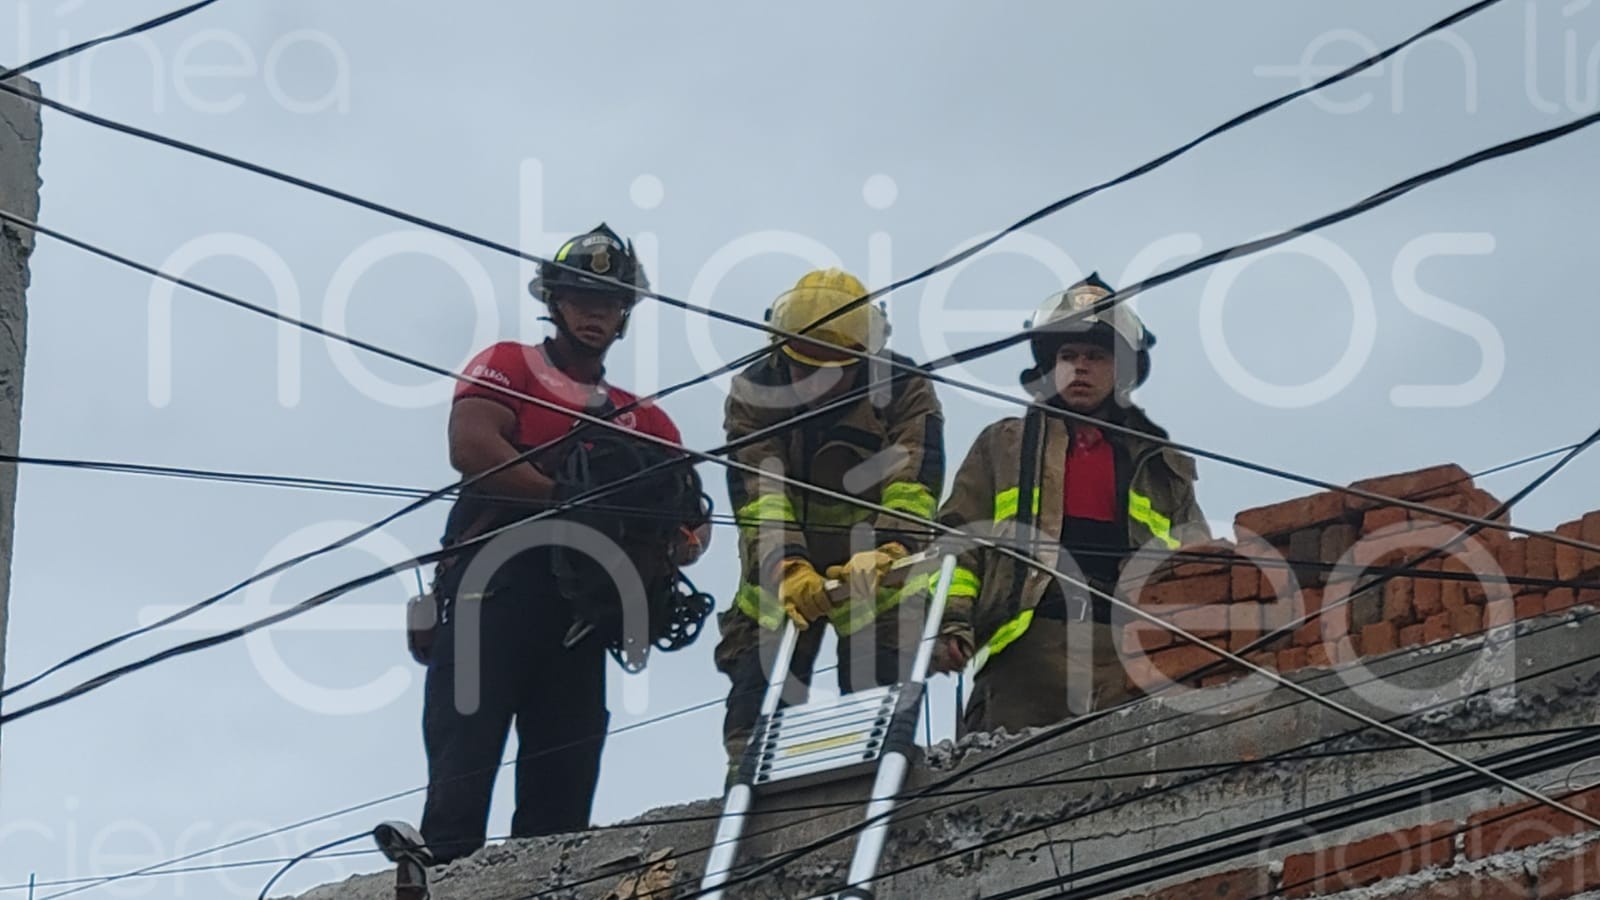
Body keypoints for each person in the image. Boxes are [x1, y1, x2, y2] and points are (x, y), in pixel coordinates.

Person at [418, 223, 701, 863]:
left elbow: (690, 523)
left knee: (563, 776)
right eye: (581, 298)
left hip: (582, 612)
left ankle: (544, 878)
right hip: (496, 587)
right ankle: (442, 872)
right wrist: (566, 501)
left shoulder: (647, 419)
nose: (595, 313)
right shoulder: (510, 365)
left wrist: (651, 540)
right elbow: (473, 446)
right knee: (466, 748)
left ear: (625, 313)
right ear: (556, 301)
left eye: (609, 303)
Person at [930, 272, 1210, 734]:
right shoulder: (1005, 446)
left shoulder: (1163, 467)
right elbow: (958, 544)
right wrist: (951, 624)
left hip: (1127, 658)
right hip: (1026, 657)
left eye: (1095, 356)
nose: (1079, 367)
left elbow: (1196, 566)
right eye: (1068, 355)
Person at [715, 268, 945, 770]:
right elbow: (761, 498)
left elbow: (912, 482)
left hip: (876, 564)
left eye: (831, 369)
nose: (815, 383)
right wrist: (788, 569)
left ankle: (880, 791)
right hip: (783, 567)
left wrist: (894, 552)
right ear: (781, 351)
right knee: (754, 725)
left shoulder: (904, 389)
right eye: (802, 366)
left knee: (879, 715)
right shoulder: (755, 392)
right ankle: (751, 796)